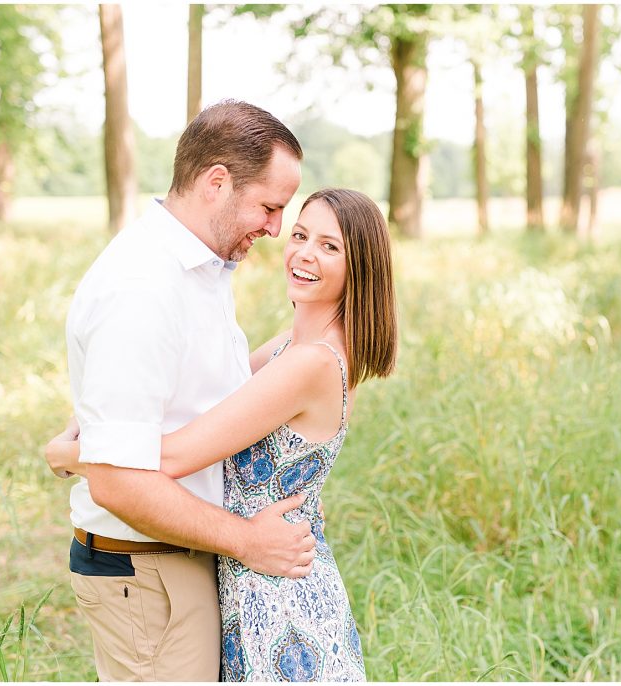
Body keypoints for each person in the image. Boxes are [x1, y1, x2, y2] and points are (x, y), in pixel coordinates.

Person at [48, 187, 398, 681]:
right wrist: (98, 412)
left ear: (360, 268)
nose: (303, 253)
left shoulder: (311, 362)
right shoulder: (292, 345)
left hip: (276, 598)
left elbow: (173, 456)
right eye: (300, 235)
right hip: (255, 571)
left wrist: (66, 452)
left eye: (329, 246)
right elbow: (209, 403)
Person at [45, 100, 315, 682]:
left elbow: (211, 390)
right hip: (145, 575)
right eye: (269, 206)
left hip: (176, 560)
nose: (274, 228)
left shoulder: (201, 268)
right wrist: (248, 541)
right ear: (217, 182)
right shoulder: (142, 288)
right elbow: (118, 479)